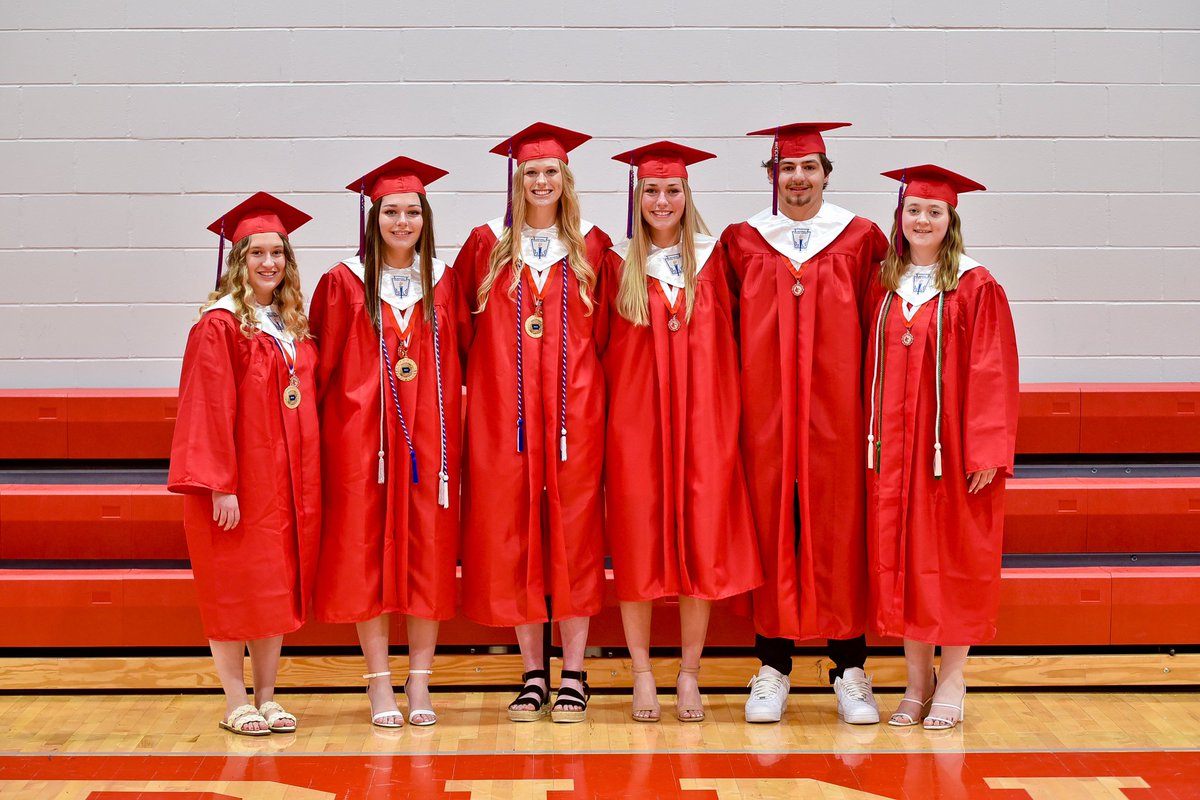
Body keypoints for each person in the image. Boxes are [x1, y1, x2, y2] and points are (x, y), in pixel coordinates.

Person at [720, 122, 888, 724]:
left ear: (826, 173)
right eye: (786, 169)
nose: (797, 179)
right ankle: (773, 668)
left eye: (809, 168)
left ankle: (851, 671)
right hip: (764, 420)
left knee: (838, 534)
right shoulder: (743, 240)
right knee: (772, 531)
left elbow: (886, 326)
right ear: (772, 177)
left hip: (839, 420)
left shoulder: (861, 237)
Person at [598, 141, 763, 723]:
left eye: (672, 190)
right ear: (636, 197)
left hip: (705, 425)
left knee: (701, 547)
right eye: (651, 190)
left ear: (687, 195)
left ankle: (689, 673)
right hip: (636, 430)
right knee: (640, 551)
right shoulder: (616, 265)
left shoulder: (715, 259)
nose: (661, 200)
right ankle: (643, 673)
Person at [453, 122, 611, 723]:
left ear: (566, 180)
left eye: (550, 173)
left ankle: (573, 673)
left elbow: (609, 341)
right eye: (531, 174)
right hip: (505, 425)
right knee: (515, 539)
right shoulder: (485, 245)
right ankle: (531, 674)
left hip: (576, 422)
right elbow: (464, 336)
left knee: (573, 540)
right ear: (515, 182)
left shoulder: (594, 248)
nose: (541, 181)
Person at [309, 156, 469, 728]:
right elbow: (318, 370)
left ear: (426, 218)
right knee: (365, 557)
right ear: (373, 217)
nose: (402, 222)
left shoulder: (445, 280)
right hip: (362, 445)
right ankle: (380, 683)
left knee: (427, 552)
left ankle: (419, 681)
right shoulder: (342, 282)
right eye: (391, 212)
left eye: (412, 212)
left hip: (431, 442)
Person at [866, 164, 1019, 730]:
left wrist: (985, 450)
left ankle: (952, 679)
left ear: (950, 218)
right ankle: (914, 683)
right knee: (906, 561)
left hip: (950, 455)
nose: (922, 219)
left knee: (954, 560)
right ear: (900, 217)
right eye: (913, 210)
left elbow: (992, 368)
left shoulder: (975, 285)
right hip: (896, 455)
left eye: (934, 211)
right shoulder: (886, 282)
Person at [167, 193, 319, 736]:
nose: (269, 263)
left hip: (282, 482)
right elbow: (207, 407)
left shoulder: (286, 322)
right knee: (233, 587)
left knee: (272, 587)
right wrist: (218, 486)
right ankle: (236, 700)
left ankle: (269, 696)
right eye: (257, 253)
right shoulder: (220, 324)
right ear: (238, 261)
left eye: (278, 253)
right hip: (236, 485)